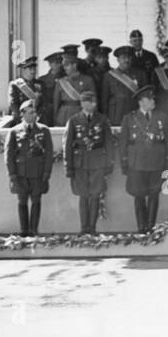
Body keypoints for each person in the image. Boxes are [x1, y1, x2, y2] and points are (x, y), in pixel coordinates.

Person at [119, 85, 168, 233]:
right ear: (142, 102)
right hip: (137, 163)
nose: (153, 101)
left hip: (157, 161)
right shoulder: (129, 118)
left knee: (154, 195)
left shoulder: (162, 117)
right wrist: (124, 163)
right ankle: (141, 227)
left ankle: (151, 226)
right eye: (150, 99)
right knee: (138, 195)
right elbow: (123, 142)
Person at [65, 90, 114, 235]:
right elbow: (68, 145)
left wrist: (109, 163)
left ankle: (92, 228)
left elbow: (108, 143)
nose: (93, 104)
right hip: (79, 162)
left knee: (95, 195)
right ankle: (83, 228)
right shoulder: (74, 120)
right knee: (83, 195)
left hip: (98, 161)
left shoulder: (102, 119)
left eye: (94, 102)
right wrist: (69, 167)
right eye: (89, 102)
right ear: (82, 103)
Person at [5, 99, 54, 237]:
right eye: (31, 112)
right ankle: (23, 230)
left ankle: (34, 230)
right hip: (21, 173)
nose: (34, 114)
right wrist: (12, 175)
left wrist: (46, 172)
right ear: (23, 114)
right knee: (22, 201)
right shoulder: (14, 131)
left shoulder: (43, 130)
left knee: (36, 201)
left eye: (35, 112)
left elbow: (49, 153)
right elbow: (9, 155)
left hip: (38, 173)